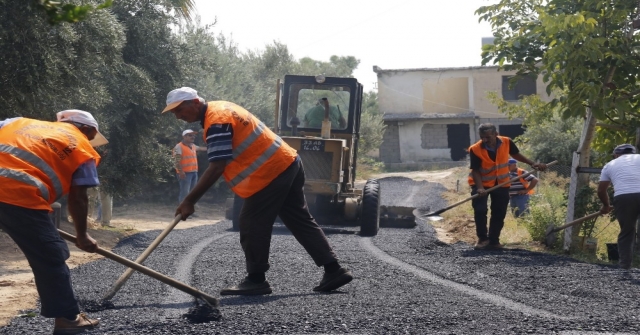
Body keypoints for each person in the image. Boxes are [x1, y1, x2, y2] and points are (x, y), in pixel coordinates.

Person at [162, 87, 353, 295]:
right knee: (299, 219)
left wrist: (189, 200)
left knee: (252, 222)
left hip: (271, 171)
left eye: (180, 110)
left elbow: (217, 166)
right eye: (174, 113)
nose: (179, 116)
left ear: (195, 102)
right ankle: (334, 269)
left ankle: (256, 279)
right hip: (288, 162)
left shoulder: (217, 120)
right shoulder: (221, 108)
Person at [0, 110, 107, 334]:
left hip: (14, 197)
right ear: (87, 129)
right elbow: (78, 198)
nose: (90, 141)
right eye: (91, 136)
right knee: (52, 256)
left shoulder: (17, 123)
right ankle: (68, 319)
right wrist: (82, 235)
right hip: (18, 197)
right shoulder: (82, 148)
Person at [468, 123, 547, 250]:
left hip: (502, 182)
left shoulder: (506, 142)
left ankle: (494, 241)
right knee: (480, 210)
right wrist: (480, 187)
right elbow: (475, 170)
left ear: (496, 134)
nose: (485, 140)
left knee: (499, 212)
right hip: (481, 183)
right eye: (482, 137)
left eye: (488, 137)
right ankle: (483, 239)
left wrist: (533, 164)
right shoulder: (475, 149)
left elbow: (516, 154)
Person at [597, 144, 640, 270]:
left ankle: (625, 267)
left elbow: (601, 190)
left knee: (627, 232)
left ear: (616, 154)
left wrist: (606, 205)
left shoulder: (610, 164)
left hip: (624, 198)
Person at [173, 129, 206, 214]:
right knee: (185, 193)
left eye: (193, 135)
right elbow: (177, 161)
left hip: (193, 172)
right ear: (184, 136)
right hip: (185, 173)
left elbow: (202, 148)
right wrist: (180, 172)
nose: (193, 137)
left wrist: (213, 147)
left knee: (192, 193)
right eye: (190, 135)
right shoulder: (178, 147)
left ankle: (189, 212)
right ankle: (182, 212)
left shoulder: (193, 146)